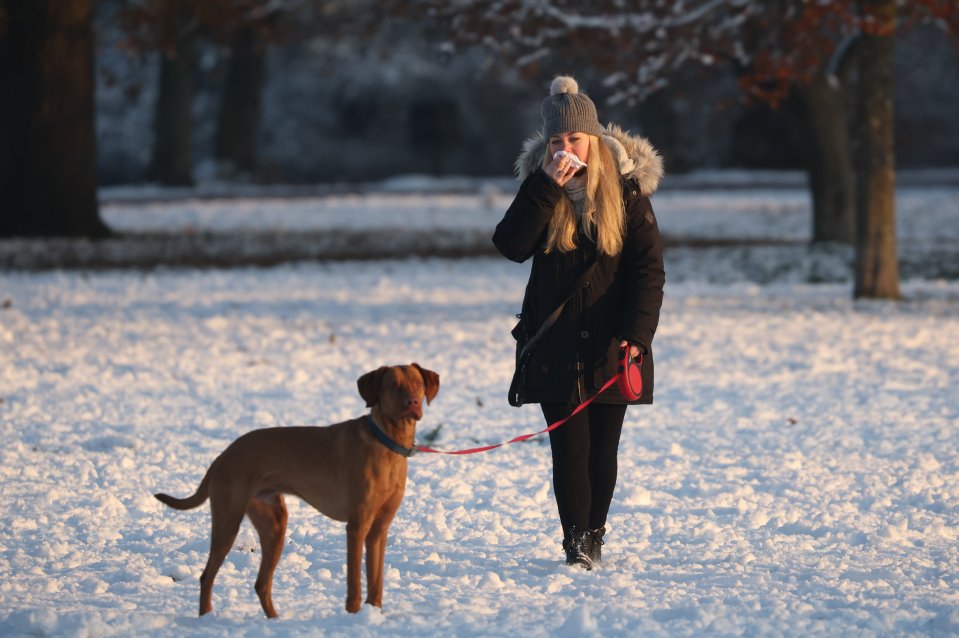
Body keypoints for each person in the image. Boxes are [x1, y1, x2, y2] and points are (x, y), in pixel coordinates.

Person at [492, 75, 665, 570]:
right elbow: (511, 246)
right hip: (556, 345)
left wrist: (637, 336)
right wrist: (547, 186)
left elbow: (648, 271)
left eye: (574, 138)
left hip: (614, 342)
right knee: (569, 450)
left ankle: (595, 535)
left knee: (602, 452)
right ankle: (576, 545)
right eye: (556, 140)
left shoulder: (627, 194)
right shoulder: (539, 189)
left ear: (593, 138)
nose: (566, 148)